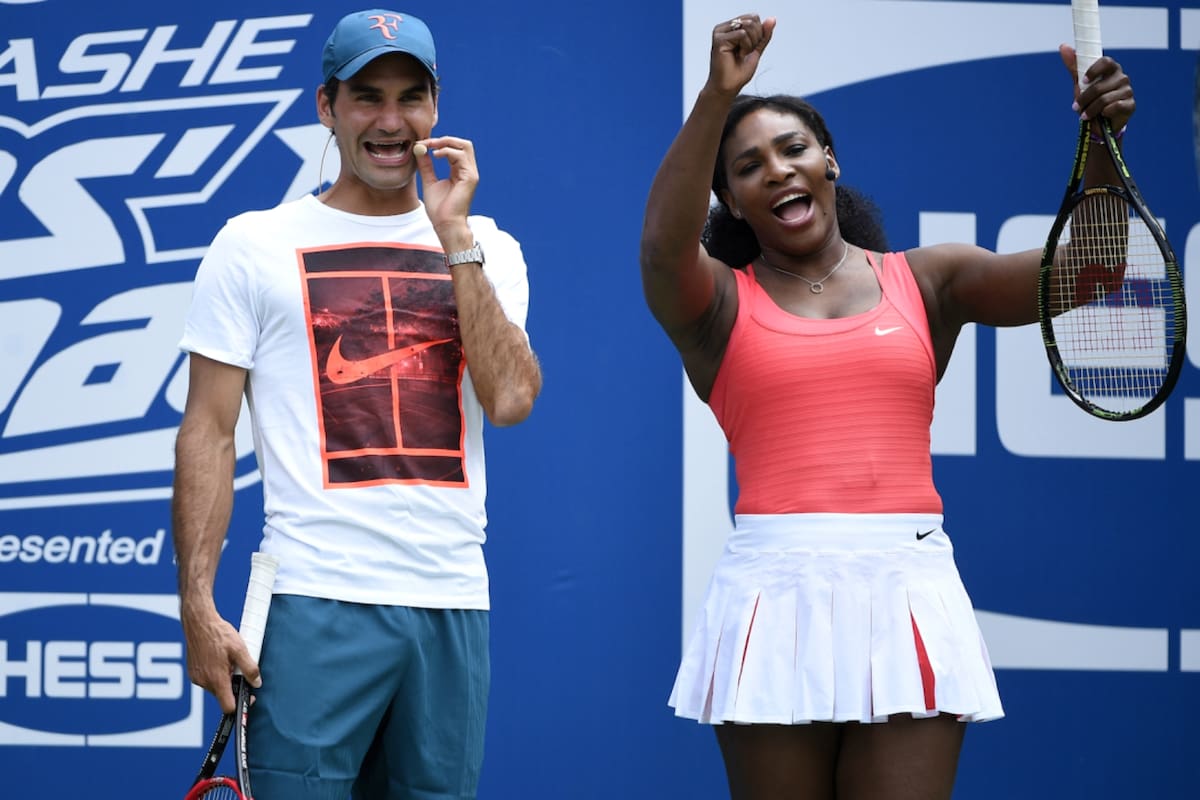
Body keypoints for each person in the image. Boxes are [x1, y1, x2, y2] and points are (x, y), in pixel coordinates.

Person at [639, 13, 1134, 800]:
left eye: (793, 148)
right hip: (774, 593)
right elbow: (662, 250)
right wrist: (716, 94)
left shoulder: (929, 280)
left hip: (906, 585)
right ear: (729, 201)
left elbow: (1095, 271)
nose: (776, 170)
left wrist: (1102, 139)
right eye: (747, 166)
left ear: (829, 160)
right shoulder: (716, 306)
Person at [171, 8, 541, 799]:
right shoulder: (254, 242)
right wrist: (199, 606)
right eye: (366, 96)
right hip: (313, 598)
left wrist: (455, 240)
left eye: (411, 97)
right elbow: (207, 428)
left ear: (435, 109)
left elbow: (509, 399)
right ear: (326, 108)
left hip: (451, 600)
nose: (390, 121)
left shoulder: (488, 247)